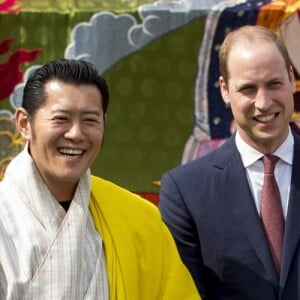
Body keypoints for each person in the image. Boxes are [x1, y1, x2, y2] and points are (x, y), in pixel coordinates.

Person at [0, 59, 200, 300]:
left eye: (90, 120)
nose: (75, 134)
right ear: (24, 123)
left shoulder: (138, 218)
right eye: (61, 119)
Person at [159, 25, 300, 299]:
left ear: (291, 77)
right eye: (248, 89)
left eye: (274, 84)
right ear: (225, 90)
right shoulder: (186, 191)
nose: (264, 102)